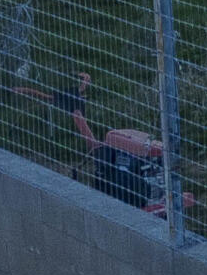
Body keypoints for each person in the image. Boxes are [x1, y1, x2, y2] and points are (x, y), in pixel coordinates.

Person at [15, 72, 192, 220]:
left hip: (134, 188)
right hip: (132, 187)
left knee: (109, 143)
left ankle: (146, 174)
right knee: (110, 143)